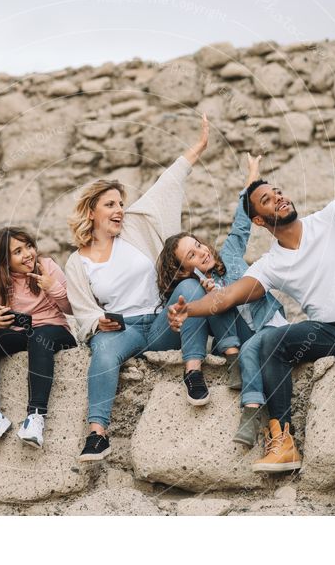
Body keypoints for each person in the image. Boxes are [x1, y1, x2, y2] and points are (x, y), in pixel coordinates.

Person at [169, 123, 335, 503]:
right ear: (259, 221)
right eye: (266, 200)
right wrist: (188, 308)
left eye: (278, 192)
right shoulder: (271, 264)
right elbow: (225, 299)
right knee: (272, 340)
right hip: (327, 332)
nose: (278, 198)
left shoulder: (329, 219)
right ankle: (283, 441)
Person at [65, 114, 209, 462]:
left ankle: (193, 374)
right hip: (123, 330)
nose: (119, 209)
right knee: (103, 351)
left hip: (162, 323)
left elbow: (168, 183)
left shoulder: (136, 228)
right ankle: (98, 435)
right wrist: (101, 323)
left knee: (190, 288)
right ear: (92, 212)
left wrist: (198, 148)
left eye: (120, 203)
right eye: (110, 204)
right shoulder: (77, 261)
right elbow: (84, 310)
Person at [155, 152, 288, 447]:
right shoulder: (195, 286)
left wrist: (252, 173)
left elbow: (242, 221)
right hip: (240, 334)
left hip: (267, 322)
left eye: (198, 244)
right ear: (184, 268)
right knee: (213, 299)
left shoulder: (228, 255)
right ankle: (232, 358)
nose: (201, 251)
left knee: (247, 337)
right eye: (191, 255)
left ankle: (250, 411)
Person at [0, 227, 76, 449]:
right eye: (18, 251)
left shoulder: (47, 266)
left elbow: (71, 308)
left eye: (29, 246)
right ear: (5, 260)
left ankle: (36, 416)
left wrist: (53, 288)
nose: (27, 253)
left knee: (39, 335)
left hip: (56, 330)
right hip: (23, 334)